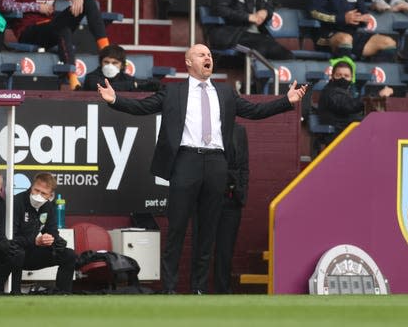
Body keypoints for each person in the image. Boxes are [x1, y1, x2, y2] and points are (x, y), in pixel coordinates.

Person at [97, 43, 307, 294]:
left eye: (209, 54)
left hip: (217, 163)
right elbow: (143, 107)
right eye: (201, 54)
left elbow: (254, 111)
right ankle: (170, 289)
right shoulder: (173, 92)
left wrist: (286, 101)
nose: (208, 57)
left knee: (207, 230)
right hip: (186, 161)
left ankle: (198, 289)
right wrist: (115, 101)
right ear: (188, 62)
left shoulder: (226, 93)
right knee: (176, 229)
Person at [11, 172, 76, 294]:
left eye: (43, 193)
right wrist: (34, 241)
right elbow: (10, 238)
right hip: (14, 253)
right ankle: (15, 293)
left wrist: (57, 242)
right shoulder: (16, 202)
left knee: (69, 255)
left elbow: (52, 232)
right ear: (31, 187)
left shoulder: (47, 207)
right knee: (17, 253)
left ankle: (62, 294)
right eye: (36, 190)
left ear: (50, 196)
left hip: (33, 253)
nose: (38, 195)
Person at [318, 57, 393, 145]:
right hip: (337, 136)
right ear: (332, 76)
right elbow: (349, 106)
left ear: (352, 78)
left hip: (349, 132)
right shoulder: (330, 92)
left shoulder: (346, 92)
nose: (343, 78)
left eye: (346, 76)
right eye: (339, 75)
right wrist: (378, 95)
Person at [212, 123, 250, 294]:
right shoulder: (203, 127)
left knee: (225, 251)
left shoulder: (239, 131)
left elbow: (244, 166)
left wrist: (241, 193)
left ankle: (223, 292)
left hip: (231, 200)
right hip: (207, 199)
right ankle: (198, 290)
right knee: (202, 248)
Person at [82, 43, 160, 92]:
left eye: (115, 63)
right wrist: (133, 85)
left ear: (122, 65)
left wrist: (143, 84)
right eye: (106, 62)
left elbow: (154, 84)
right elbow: (105, 88)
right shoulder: (91, 77)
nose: (110, 65)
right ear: (101, 62)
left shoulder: (126, 78)